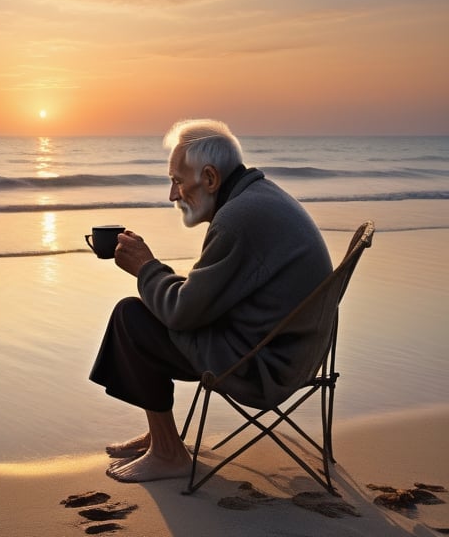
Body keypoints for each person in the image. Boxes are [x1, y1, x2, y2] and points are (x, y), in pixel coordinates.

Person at [89, 119, 332, 483]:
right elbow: (207, 297)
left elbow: (181, 312)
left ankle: (169, 453)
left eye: (177, 181)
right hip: (289, 351)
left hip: (261, 366)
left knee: (132, 316)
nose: (173, 195)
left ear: (210, 178)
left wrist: (146, 268)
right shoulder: (258, 198)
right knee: (145, 309)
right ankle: (161, 436)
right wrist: (158, 275)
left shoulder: (238, 219)